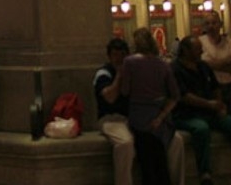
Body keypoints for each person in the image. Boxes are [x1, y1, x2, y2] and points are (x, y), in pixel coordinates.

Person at [96, 37, 186, 185]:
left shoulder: (136, 68)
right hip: (112, 118)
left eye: (122, 55)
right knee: (125, 144)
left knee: (176, 140)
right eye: (115, 55)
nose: (119, 58)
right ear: (109, 56)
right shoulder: (104, 73)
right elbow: (110, 98)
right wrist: (120, 75)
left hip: (136, 118)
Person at [119, 28, 179, 185]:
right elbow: (175, 96)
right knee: (160, 160)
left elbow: (125, 91)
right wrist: (160, 117)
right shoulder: (163, 65)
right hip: (159, 117)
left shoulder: (129, 62)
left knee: (146, 161)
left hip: (138, 116)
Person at [173, 35, 231, 184]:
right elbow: (184, 96)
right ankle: (205, 173)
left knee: (229, 123)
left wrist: (219, 104)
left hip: (210, 111)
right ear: (185, 50)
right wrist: (208, 104)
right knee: (201, 129)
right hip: (187, 114)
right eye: (197, 49)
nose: (201, 51)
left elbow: (215, 87)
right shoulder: (175, 69)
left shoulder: (203, 66)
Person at [199, 12, 231, 105]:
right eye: (207, 23)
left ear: (220, 24)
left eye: (214, 23)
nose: (211, 26)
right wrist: (224, 65)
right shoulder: (200, 42)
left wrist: (211, 65)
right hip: (209, 87)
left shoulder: (229, 42)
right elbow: (200, 64)